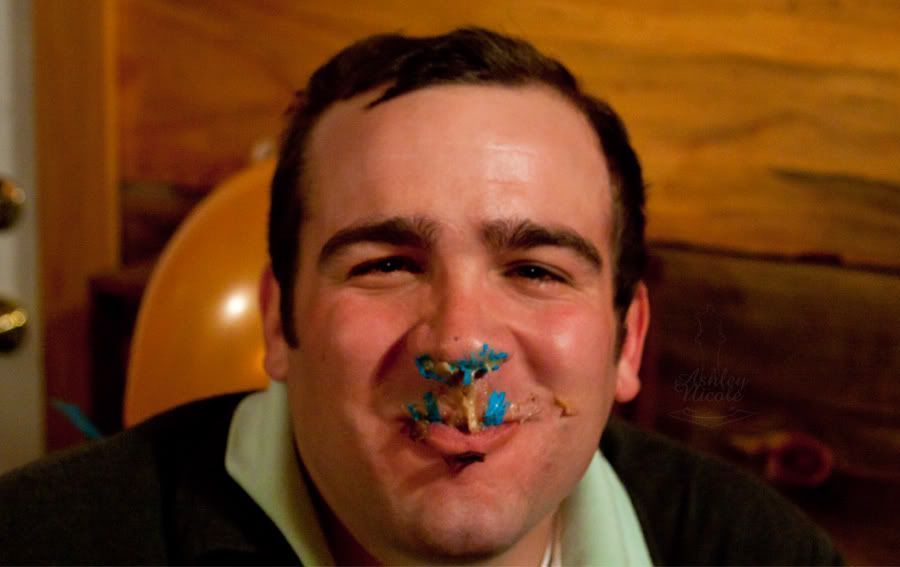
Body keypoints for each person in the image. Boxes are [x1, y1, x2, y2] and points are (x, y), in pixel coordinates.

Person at [0, 27, 841, 565]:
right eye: (386, 265)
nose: (460, 343)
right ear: (279, 320)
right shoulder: (38, 542)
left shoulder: (761, 552)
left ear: (628, 340)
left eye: (536, 270)